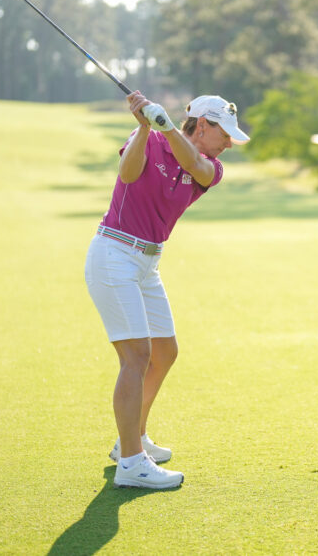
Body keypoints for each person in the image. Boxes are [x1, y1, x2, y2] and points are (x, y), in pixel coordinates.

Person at [84, 91, 250, 490]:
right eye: (224, 133)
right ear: (204, 125)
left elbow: (195, 164)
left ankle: (133, 437)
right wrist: (145, 126)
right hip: (114, 253)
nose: (229, 142)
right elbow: (127, 173)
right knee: (136, 357)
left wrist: (166, 125)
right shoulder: (153, 138)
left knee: (165, 351)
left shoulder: (211, 167)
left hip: (147, 262)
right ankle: (131, 463)